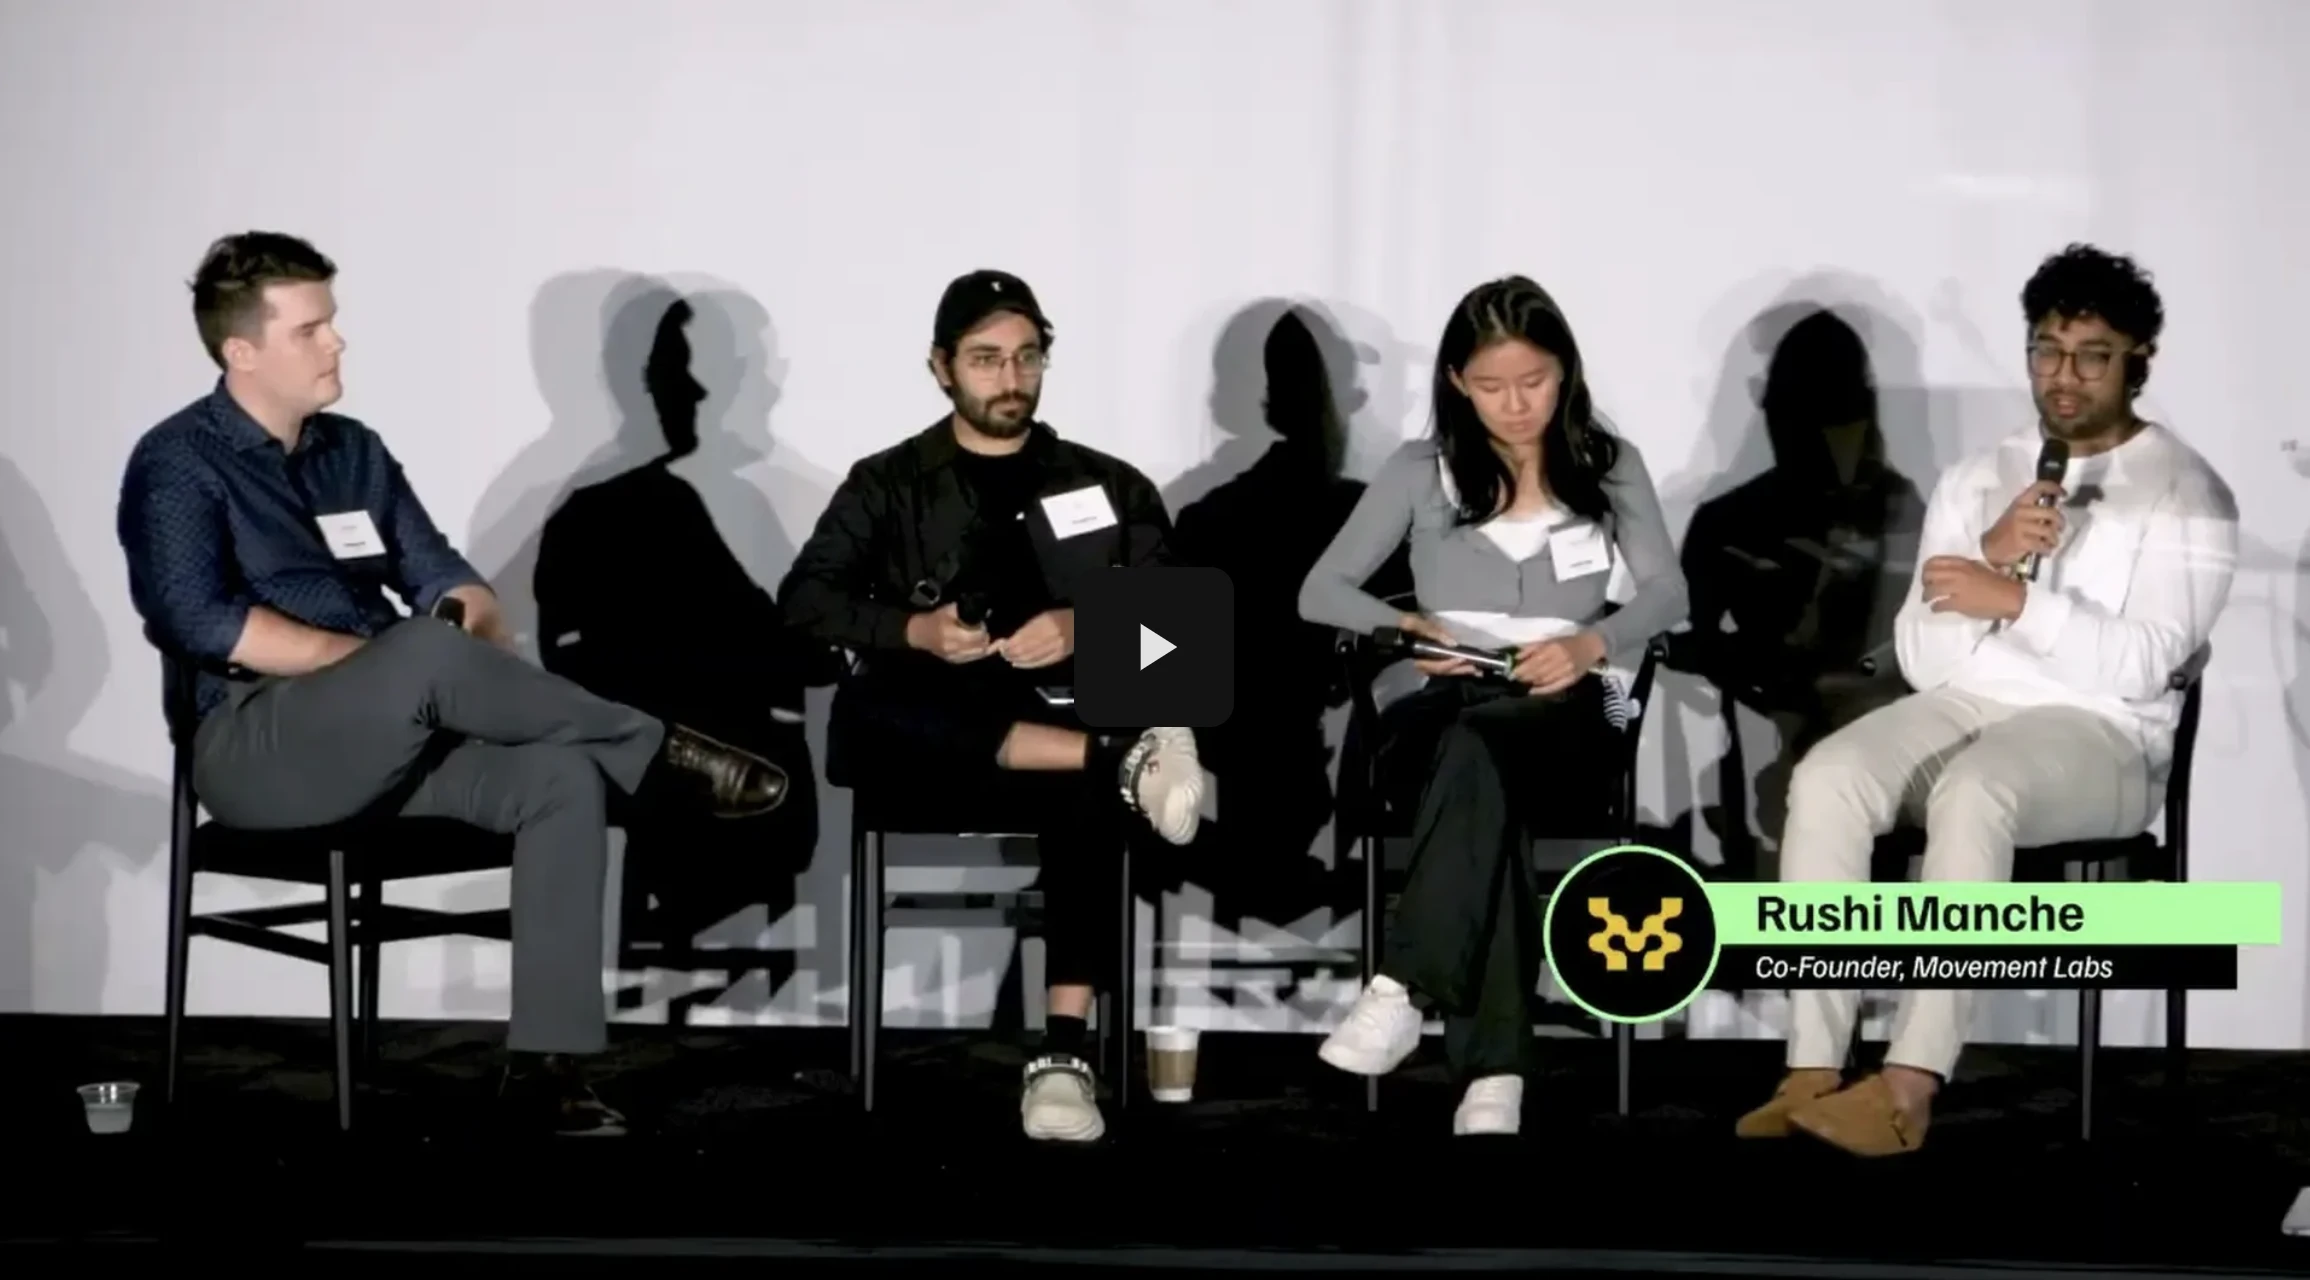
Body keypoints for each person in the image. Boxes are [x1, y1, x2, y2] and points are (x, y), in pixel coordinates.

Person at [116, 231, 791, 1136]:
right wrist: (394, 663)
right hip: (255, 748)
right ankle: (656, 748)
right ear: (242, 351)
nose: (336, 341)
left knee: (558, 776)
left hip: (393, 734)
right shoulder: (178, 461)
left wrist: (463, 631)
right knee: (421, 652)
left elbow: (449, 579)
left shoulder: (354, 452)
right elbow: (199, 622)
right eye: (310, 330)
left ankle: (547, 1068)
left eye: (332, 322)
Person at [1734, 243, 2238, 1157]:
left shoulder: (2188, 493)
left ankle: (1908, 1085)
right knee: (1830, 775)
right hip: (1969, 701)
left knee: (1976, 791)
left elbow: (2145, 665)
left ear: (2140, 359)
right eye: (2047, 350)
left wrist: (2014, 600)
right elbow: (1925, 659)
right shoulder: (1979, 475)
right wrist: (1992, 553)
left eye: (2092, 355)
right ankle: (1812, 1067)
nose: (2064, 376)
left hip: (2107, 736)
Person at [779, 269, 1207, 1144]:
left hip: (1057, 745)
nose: (1010, 380)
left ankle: (1063, 1055)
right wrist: (916, 630)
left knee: (1091, 788)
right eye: (985, 360)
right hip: (931, 749)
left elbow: (1184, 627)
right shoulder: (890, 482)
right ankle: (1120, 761)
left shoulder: (1105, 483)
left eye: (1026, 358)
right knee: (868, 706)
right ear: (941, 367)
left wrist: (1085, 625)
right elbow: (804, 603)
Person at [1298, 275, 1689, 1135]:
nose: (1515, 405)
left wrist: (1591, 644)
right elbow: (1319, 592)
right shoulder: (1420, 470)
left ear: (1565, 372)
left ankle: (1406, 988)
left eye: (1533, 381)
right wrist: (1406, 626)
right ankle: (1495, 1070)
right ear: (1456, 383)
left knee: (1485, 759)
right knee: (1477, 762)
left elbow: (1669, 593)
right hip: (1444, 702)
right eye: (1491, 386)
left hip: (1567, 705)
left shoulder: (1607, 464)